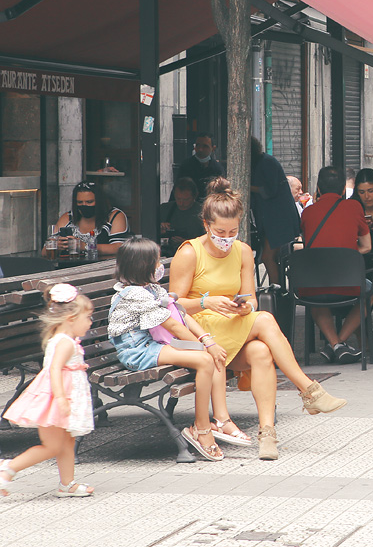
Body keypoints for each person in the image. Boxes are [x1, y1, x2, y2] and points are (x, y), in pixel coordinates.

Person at [169, 178, 346, 461]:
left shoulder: (242, 251)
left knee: (262, 351)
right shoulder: (190, 252)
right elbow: (171, 306)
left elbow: (250, 296)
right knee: (264, 320)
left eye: (233, 231)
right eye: (220, 232)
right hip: (198, 333)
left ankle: (268, 434)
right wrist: (206, 301)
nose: (227, 239)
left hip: (229, 328)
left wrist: (244, 306)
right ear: (206, 225)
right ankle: (309, 390)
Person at [106, 237, 229, 461]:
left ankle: (218, 422)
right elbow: (173, 326)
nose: (159, 265)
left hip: (152, 345)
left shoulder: (150, 288)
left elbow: (180, 315)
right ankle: (201, 429)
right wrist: (204, 348)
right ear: (143, 266)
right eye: (156, 261)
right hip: (138, 351)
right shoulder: (135, 294)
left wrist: (206, 341)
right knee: (205, 360)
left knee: (210, 357)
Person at [1, 284, 97, 497]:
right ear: (71, 318)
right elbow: (54, 369)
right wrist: (61, 399)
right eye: (88, 317)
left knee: (66, 441)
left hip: (61, 397)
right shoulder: (65, 343)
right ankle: (8, 468)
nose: (90, 322)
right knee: (52, 446)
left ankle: (67, 483)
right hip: (56, 399)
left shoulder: (64, 339)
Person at [300, 166, 373, 364]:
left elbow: (311, 246)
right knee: (371, 292)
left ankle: (335, 344)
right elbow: (366, 246)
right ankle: (339, 343)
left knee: (313, 292)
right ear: (343, 190)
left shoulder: (307, 213)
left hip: (313, 283)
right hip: (348, 283)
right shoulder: (354, 208)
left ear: (318, 189)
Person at [249, 137, 300, 285]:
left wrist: (248, 187)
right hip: (272, 219)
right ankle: (278, 288)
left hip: (278, 219)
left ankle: (276, 292)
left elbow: (270, 191)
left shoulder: (266, 163)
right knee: (272, 258)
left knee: (267, 257)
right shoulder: (262, 163)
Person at [49, 182, 129, 257]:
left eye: (89, 202)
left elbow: (119, 247)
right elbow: (44, 251)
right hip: (70, 267)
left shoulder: (114, 216)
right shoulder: (68, 217)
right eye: (80, 202)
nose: (84, 205)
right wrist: (57, 246)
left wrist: (85, 246)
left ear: (99, 201)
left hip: (103, 268)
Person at [159, 177, 207, 251]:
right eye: (178, 199)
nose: (181, 203)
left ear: (195, 196)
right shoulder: (164, 209)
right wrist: (159, 229)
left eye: (186, 199)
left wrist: (186, 242)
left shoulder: (202, 211)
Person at [174, 133, 224, 200]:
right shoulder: (186, 166)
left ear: (213, 148)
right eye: (198, 145)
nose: (200, 149)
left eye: (205, 146)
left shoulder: (217, 169)